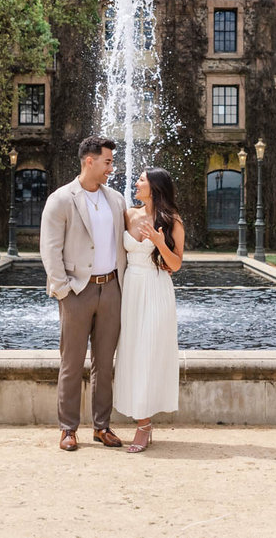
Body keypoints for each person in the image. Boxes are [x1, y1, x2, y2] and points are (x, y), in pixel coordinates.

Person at [39, 136, 128, 452]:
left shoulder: (116, 200)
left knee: (106, 363)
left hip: (111, 289)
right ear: (89, 161)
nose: (111, 168)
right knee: (72, 363)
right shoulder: (61, 199)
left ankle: (102, 427)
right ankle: (68, 429)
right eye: (107, 162)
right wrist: (63, 291)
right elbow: (50, 249)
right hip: (77, 291)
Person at [114, 168, 184, 453]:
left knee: (149, 353)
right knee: (132, 352)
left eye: (141, 180)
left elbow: (177, 264)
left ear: (154, 187)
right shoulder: (128, 215)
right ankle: (143, 422)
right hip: (131, 288)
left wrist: (158, 243)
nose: (136, 183)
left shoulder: (173, 221)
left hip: (157, 288)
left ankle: (144, 426)